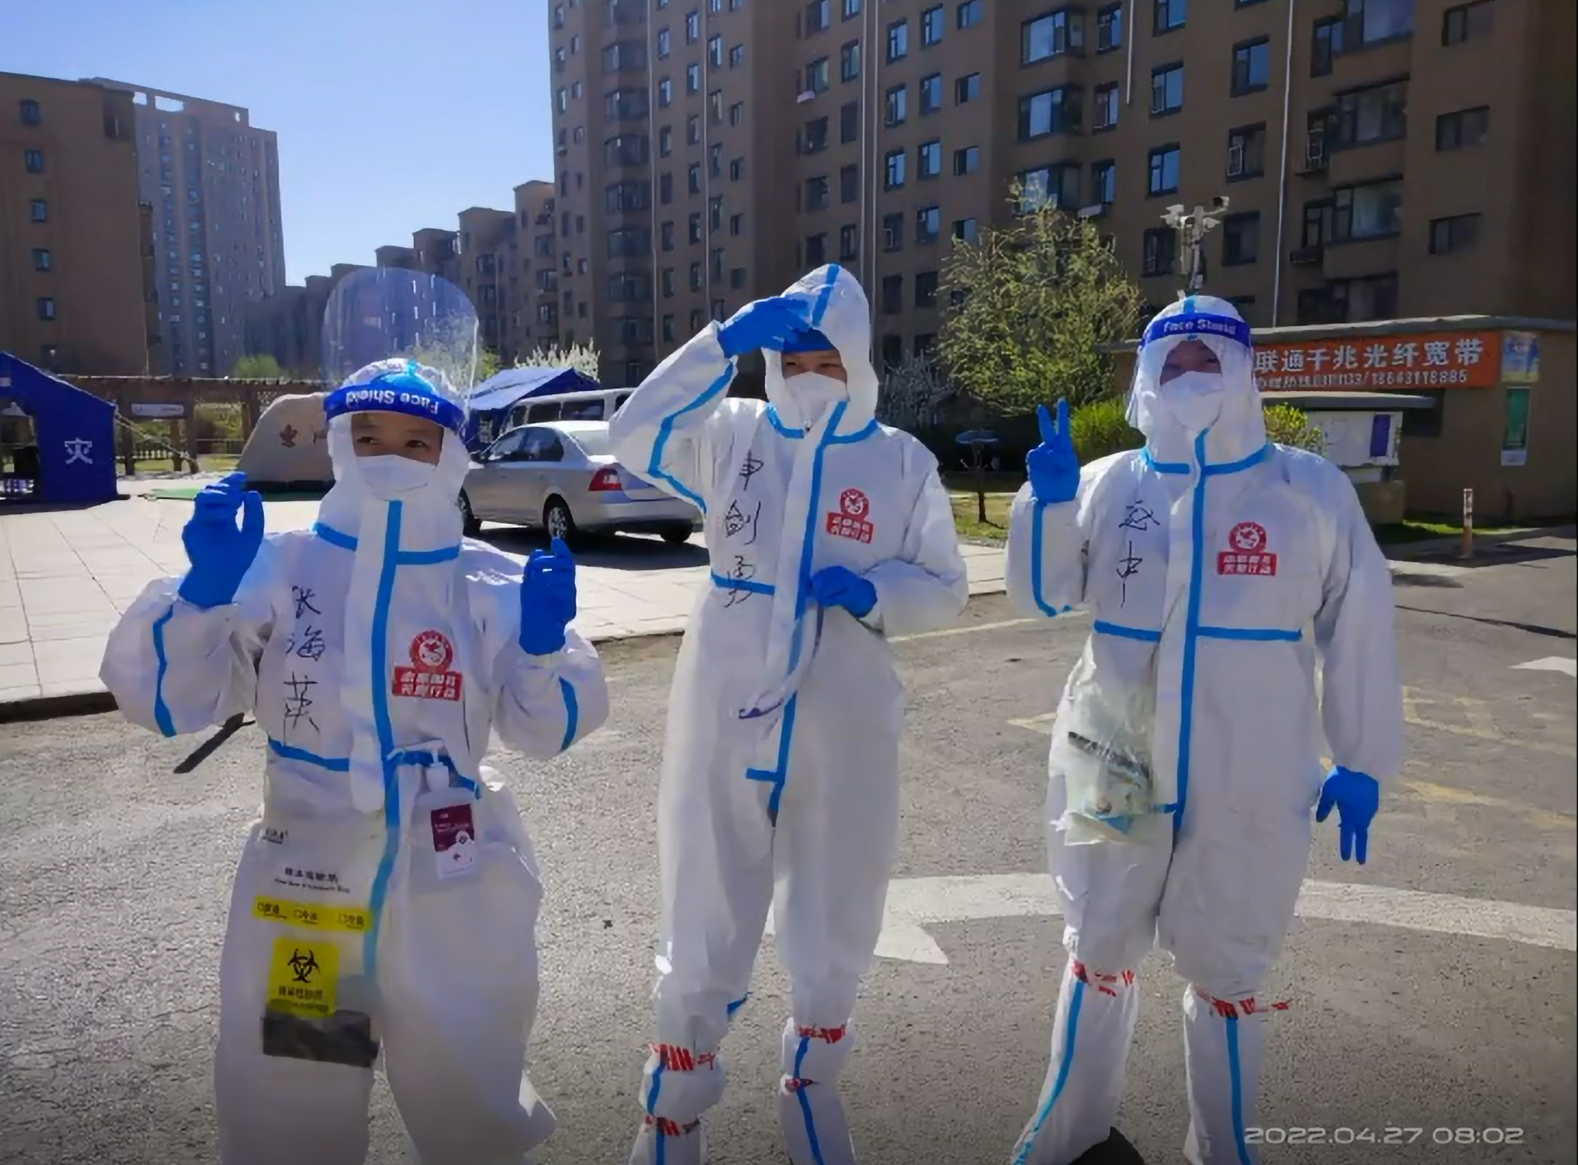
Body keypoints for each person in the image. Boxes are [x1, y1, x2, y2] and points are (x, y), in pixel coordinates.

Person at [100, 358, 610, 1165]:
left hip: (452, 877)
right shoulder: (283, 565)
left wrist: (542, 647)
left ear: (451, 452)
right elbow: (168, 701)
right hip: (310, 884)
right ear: (338, 443)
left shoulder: (485, 580)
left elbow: (543, 730)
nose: (388, 457)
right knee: (298, 1093)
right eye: (367, 436)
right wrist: (202, 594)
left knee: (468, 1087)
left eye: (415, 441)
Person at [1003, 296, 1403, 1165]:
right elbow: (1041, 597)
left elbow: (1360, 617)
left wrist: (1362, 756)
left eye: (1208, 360)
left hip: (1252, 759)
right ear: (1148, 376)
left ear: (1245, 371)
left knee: (1230, 960)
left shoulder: (1306, 490)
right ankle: (1066, 1124)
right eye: (1172, 363)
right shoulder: (1110, 482)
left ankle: (1225, 1144)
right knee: (1099, 938)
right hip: (1113, 744)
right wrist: (1048, 505)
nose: (1190, 378)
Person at [609, 263, 969, 1165]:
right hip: (724, 699)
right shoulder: (729, 432)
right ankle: (671, 1112)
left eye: (826, 357)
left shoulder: (900, 460)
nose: (808, 372)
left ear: (858, 359)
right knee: (702, 890)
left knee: (839, 890)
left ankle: (813, 1087)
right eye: (792, 356)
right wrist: (718, 344)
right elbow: (634, 432)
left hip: (843, 711)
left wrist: (878, 592)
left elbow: (946, 584)